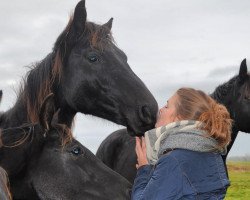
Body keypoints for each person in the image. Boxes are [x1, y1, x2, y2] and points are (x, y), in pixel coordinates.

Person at [132, 87, 231, 200]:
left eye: (167, 106)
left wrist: (143, 169)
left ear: (179, 118)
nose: (160, 110)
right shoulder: (214, 155)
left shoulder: (174, 160)